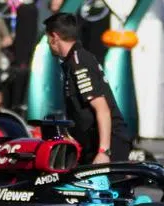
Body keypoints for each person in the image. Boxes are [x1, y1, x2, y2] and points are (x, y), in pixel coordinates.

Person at [44, 12, 133, 164]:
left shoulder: (79, 64)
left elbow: (102, 109)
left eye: (48, 39)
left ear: (55, 37)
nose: (48, 43)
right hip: (91, 142)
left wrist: (104, 151)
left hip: (108, 142)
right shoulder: (73, 61)